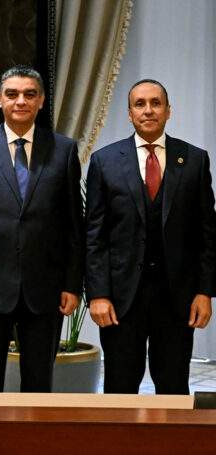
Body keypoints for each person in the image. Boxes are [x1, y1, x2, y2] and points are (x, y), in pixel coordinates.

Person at [0, 65, 84, 391]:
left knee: (39, 386)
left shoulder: (63, 150)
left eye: (29, 94)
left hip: (45, 288)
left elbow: (73, 225)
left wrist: (72, 284)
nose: (20, 101)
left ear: (41, 100)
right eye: (12, 94)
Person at [85, 79, 216, 394]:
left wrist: (204, 292)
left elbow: (207, 233)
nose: (148, 110)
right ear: (129, 113)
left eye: (156, 103)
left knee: (173, 387)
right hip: (121, 300)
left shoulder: (194, 159)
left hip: (177, 299)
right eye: (139, 104)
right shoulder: (104, 161)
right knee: (119, 387)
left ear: (168, 111)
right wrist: (98, 294)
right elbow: (94, 236)